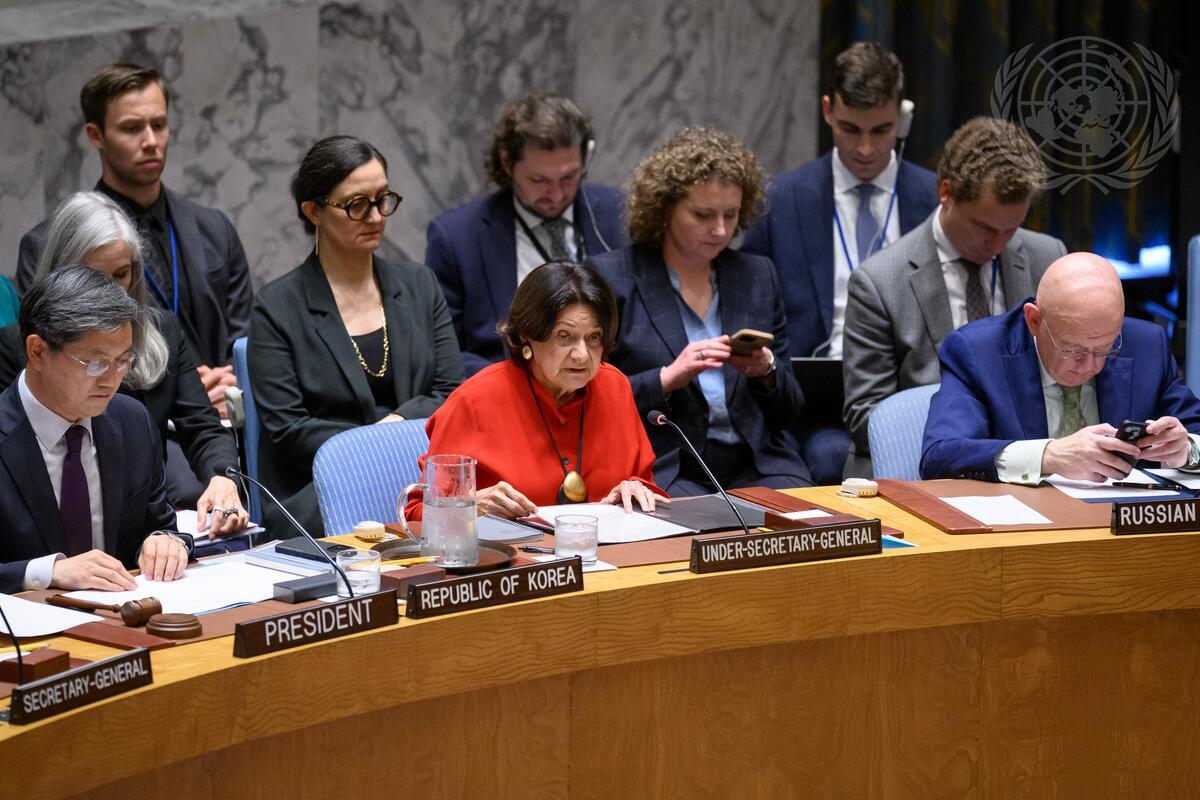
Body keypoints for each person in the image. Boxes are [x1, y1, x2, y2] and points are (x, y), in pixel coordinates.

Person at [741, 42, 938, 484]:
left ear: (903, 118)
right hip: (812, 407)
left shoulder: (935, 202)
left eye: (881, 130)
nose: (865, 148)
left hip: (913, 391)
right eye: (850, 129)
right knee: (828, 459)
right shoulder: (780, 201)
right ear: (828, 110)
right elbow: (750, 306)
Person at [250, 136, 464, 534]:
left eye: (383, 199)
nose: (376, 217)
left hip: (421, 484)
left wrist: (394, 426)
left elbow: (451, 394)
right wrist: (376, 445)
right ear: (314, 211)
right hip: (322, 495)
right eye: (356, 205)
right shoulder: (276, 307)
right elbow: (290, 432)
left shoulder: (420, 285)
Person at [0, 193, 248, 536]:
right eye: (93, 362)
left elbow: (202, 428)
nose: (111, 292)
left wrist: (222, 478)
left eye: (121, 274)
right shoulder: (20, 348)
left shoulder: (161, 335)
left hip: (143, 517)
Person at [16, 63, 251, 413]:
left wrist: (216, 392)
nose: (151, 141)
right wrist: (180, 394)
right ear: (95, 135)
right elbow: (49, 360)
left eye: (159, 124)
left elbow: (244, 343)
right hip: (113, 420)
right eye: (132, 128)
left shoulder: (215, 229)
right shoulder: (43, 244)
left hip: (220, 417)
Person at [842, 116, 1068, 478]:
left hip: (1032, 470)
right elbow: (865, 416)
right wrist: (974, 443)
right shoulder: (879, 282)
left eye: (1011, 229)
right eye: (984, 227)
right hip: (922, 470)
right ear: (946, 193)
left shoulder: (1048, 258)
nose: (998, 245)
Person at [589, 127, 809, 495]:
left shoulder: (757, 274)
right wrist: (666, 379)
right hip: (668, 463)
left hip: (757, 463)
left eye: (731, 214)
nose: (720, 230)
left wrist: (766, 370)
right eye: (703, 215)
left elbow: (790, 411)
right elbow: (588, 399)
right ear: (664, 208)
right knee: (690, 527)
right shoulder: (611, 278)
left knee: (809, 519)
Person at [405, 262, 665, 520]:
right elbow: (418, 514)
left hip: (608, 544)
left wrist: (635, 489)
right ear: (526, 336)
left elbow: (644, 482)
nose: (582, 355)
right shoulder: (473, 401)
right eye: (564, 336)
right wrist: (471, 506)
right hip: (510, 546)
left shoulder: (615, 387)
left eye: (594, 337)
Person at [921, 253, 1200, 483]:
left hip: (1125, 524)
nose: (1091, 365)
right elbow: (940, 455)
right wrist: (1049, 455)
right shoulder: (978, 352)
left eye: (1105, 348)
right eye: (1073, 350)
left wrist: (1187, 449)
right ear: (1034, 320)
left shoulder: (1146, 345)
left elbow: (1194, 430)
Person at [0, 267, 192, 594]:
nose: (111, 380)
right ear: (38, 352)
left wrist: (166, 543)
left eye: (123, 361)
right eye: (95, 363)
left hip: (123, 612)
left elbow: (161, 526)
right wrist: (49, 572)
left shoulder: (131, 421)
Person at [425, 93, 627, 375]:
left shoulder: (618, 213)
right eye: (539, 180)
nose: (556, 195)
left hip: (608, 384)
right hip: (510, 388)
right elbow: (444, 352)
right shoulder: (456, 238)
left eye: (569, 177)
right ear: (506, 162)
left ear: (586, 157)